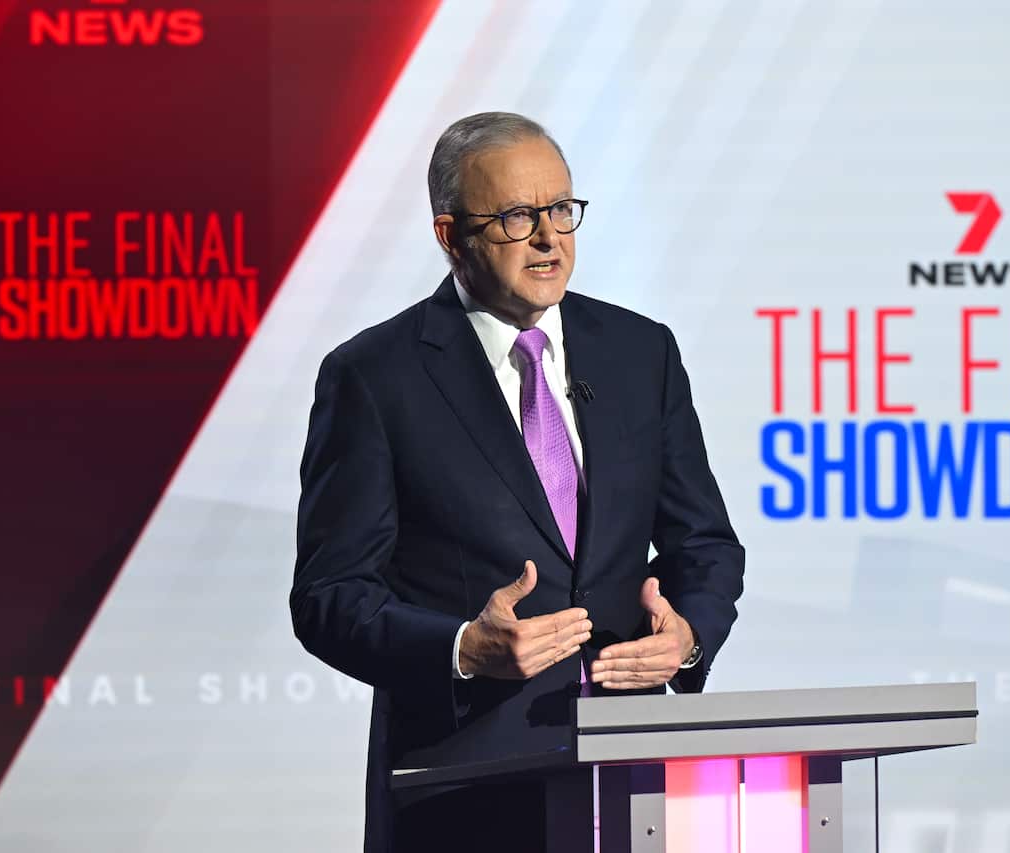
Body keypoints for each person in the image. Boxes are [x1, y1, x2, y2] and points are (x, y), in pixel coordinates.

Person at [290, 111, 744, 853]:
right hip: (462, 795)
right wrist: (465, 646)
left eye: (562, 210)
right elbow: (329, 596)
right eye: (516, 217)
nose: (548, 239)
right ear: (450, 236)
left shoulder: (641, 352)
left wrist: (688, 636)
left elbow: (705, 544)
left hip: (634, 783)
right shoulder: (375, 377)